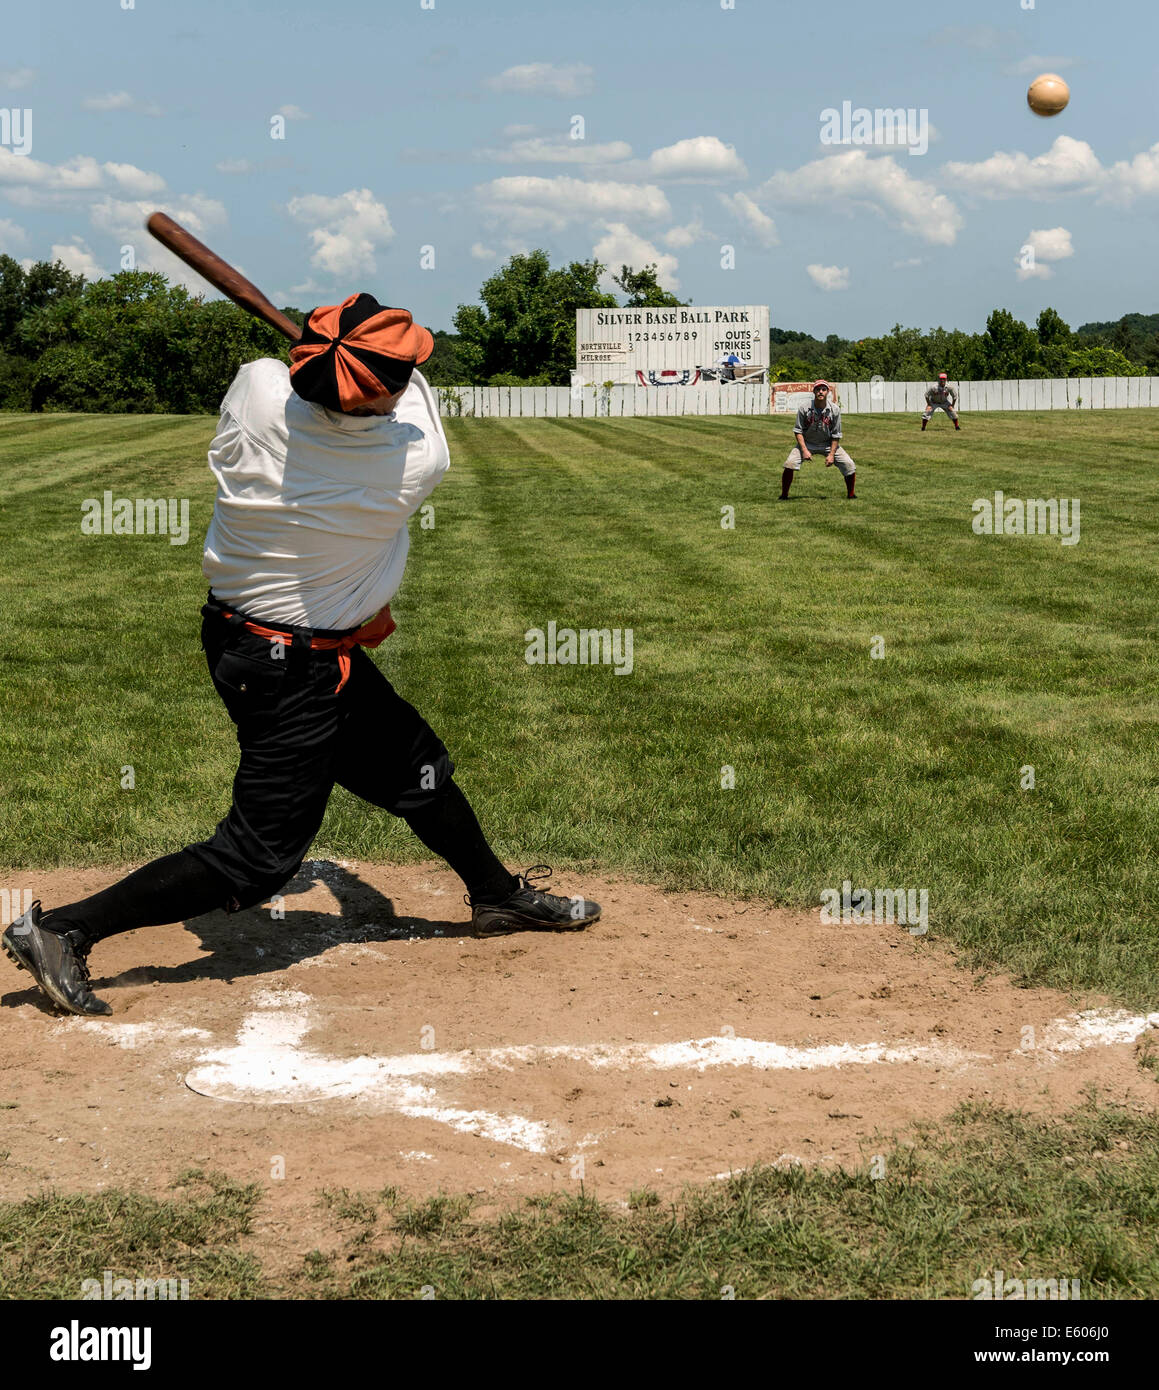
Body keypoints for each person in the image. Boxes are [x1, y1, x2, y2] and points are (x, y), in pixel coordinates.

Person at [3, 292, 601, 1017]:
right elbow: (407, 387)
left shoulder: (258, 391)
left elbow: (333, 377)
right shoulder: (412, 461)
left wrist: (336, 357)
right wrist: (357, 363)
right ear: (378, 392)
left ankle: (498, 897)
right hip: (288, 669)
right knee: (256, 860)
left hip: (269, 645)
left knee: (418, 767)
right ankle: (64, 928)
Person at [780, 380, 856, 500]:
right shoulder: (804, 408)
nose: (820, 392)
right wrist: (804, 450)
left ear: (828, 392)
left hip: (828, 443)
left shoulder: (834, 410)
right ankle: (784, 495)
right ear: (814, 391)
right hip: (807, 442)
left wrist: (831, 454)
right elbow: (798, 431)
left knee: (849, 464)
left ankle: (851, 495)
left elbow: (836, 435)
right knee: (790, 463)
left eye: (823, 389)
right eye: (818, 389)